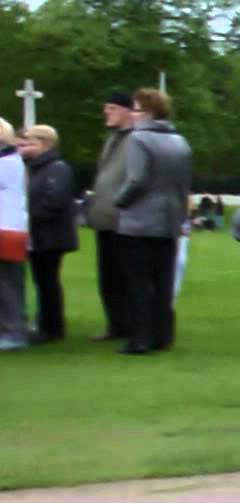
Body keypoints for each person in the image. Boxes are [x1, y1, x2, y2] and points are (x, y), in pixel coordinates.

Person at [113, 88, 193, 355]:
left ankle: (140, 338)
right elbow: (183, 185)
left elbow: (137, 179)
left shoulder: (139, 139)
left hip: (140, 219)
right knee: (163, 280)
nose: (133, 115)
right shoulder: (180, 142)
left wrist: (119, 201)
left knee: (137, 281)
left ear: (147, 113)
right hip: (169, 218)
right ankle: (162, 334)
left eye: (135, 110)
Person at [18, 125, 79, 344]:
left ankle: (51, 327)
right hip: (43, 233)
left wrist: (27, 217)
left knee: (47, 280)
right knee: (43, 279)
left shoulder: (56, 168)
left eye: (28, 143)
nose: (23, 147)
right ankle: (47, 324)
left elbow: (54, 201)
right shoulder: (38, 168)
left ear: (44, 144)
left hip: (51, 235)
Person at [86, 91, 134, 342]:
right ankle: (115, 324)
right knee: (107, 277)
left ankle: (130, 325)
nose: (107, 112)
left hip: (123, 218)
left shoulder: (136, 139)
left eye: (113, 108)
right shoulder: (112, 138)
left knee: (124, 275)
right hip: (104, 218)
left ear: (128, 111)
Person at [0, 117, 27, 351]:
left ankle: (14, 332)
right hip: (9, 227)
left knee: (7, 283)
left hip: (6, 228)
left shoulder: (7, 162)